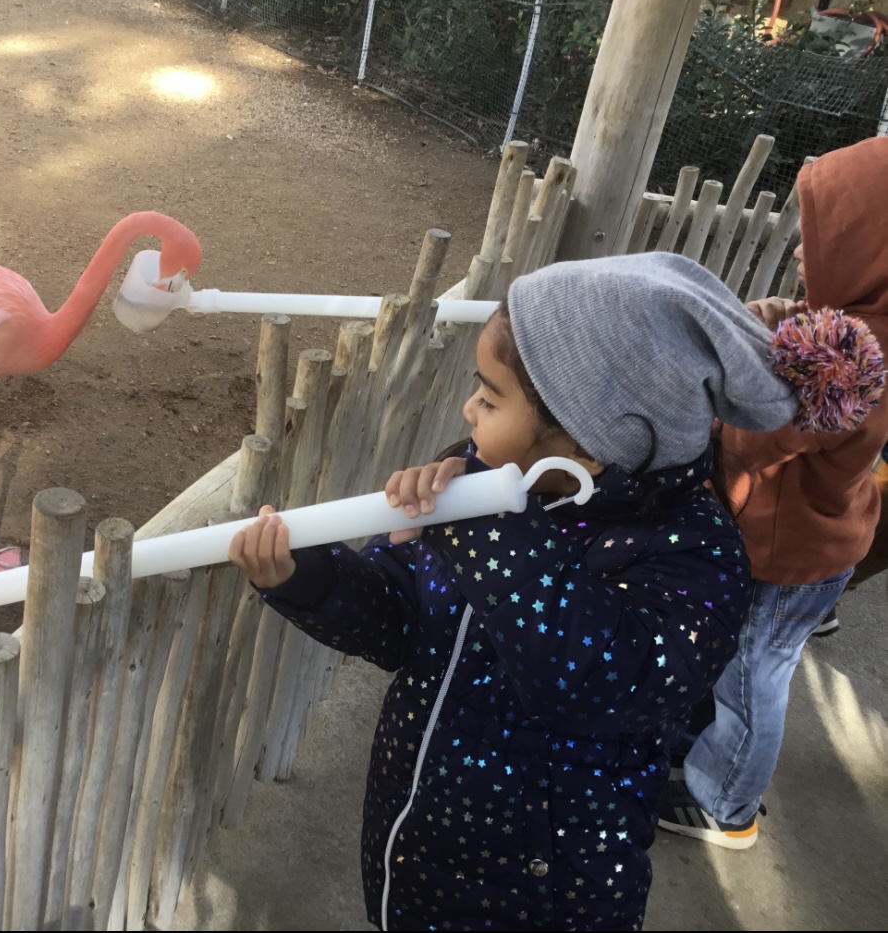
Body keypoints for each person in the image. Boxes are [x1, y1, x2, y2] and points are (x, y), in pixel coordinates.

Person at [229, 252, 879, 930]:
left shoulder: (695, 560)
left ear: (586, 442)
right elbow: (400, 623)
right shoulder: (489, 482)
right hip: (417, 849)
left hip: (549, 897)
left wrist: (480, 527)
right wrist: (306, 576)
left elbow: (588, 680)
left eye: (489, 397)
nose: (468, 410)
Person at [658, 136, 888, 849]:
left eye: (820, 235)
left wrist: (739, 363)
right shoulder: (853, 324)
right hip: (798, 533)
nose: (797, 250)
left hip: (793, 552)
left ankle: (727, 804)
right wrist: (779, 328)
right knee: (734, 652)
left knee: (755, 673)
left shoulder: (850, 352)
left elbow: (757, 434)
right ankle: (700, 751)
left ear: (869, 248)